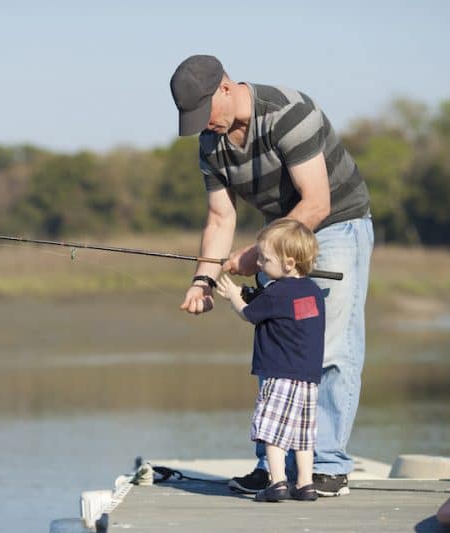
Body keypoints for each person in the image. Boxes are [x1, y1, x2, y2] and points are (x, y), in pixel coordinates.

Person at [170, 54, 373, 496]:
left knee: (331, 345)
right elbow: (220, 219)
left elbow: (316, 203)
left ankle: (328, 465)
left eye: (206, 114)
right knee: (275, 342)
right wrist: (201, 281)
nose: (204, 126)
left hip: (336, 223)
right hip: (279, 242)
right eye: (195, 120)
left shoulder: (287, 112)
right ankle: (274, 467)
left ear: (225, 88)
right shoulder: (211, 144)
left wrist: (258, 253)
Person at [215, 219, 325, 502]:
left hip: (279, 375)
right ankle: (304, 483)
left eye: (265, 259)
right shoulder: (312, 291)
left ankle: (277, 482)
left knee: (271, 432)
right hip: (308, 377)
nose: (260, 264)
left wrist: (234, 297)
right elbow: (284, 314)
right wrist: (257, 297)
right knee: (303, 435)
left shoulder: (277, 292)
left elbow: (249, 315)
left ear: (288, 263)